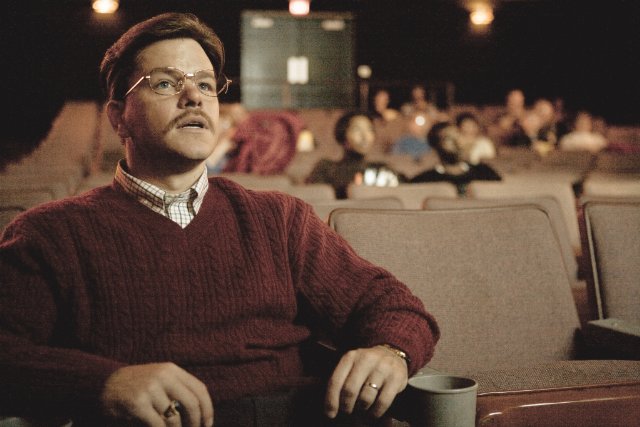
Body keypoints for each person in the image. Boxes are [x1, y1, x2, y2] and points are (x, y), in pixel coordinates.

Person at [0, 13, 439, 427]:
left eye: (206, 84)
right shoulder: (52, 234)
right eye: (166, 83)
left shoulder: (279, 219)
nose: (193, 96)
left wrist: (390, 352)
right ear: (119, 117)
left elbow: (393, 306)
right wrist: (104, 383)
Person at [307, 112, 404, 199]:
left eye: (369, 129)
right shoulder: (327, 169)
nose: (365, 136)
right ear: (343, 135)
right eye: (357, 130)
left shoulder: (383, 169)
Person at [411, 121, 501, 195]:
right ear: (436, 146)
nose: (457, 142)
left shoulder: (486, 173)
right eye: (448, 139)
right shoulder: (425, 180)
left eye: (458, 136)